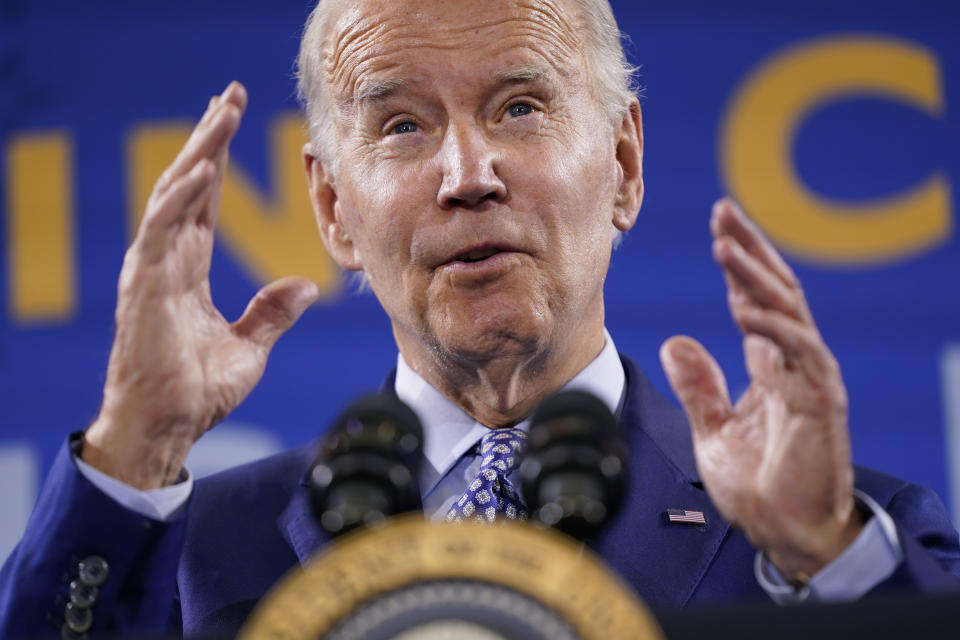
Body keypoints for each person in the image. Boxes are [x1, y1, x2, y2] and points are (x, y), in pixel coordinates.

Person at [2, 0, 959, 637]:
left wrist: (825, 561)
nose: (467, 175)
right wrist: (135, 444)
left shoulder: (829, 540)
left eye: (519, 107)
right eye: (403, 126)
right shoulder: (197, 556)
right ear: (333, 210)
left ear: (623, 166)